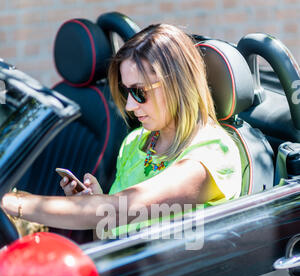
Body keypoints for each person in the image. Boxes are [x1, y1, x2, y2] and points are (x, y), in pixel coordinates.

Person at [1, 23, 242, 239]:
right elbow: (108, 236)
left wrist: (13, 202)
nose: (129, 105)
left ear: (177, 84)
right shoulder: (136, 142)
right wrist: (95, 203)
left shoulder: (212, 153)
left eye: (140, 92)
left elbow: (119, 208)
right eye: (127, 92)